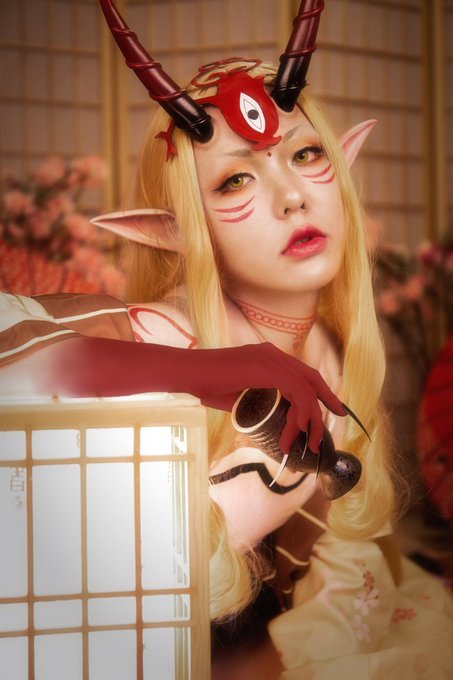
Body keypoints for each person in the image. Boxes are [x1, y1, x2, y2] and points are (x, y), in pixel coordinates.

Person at [1, 1, 452, 676]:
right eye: (236, 179)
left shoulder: (335, 355)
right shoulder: (156, 336)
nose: (292, 196)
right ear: (178, 230)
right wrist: (195, 371)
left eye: (305, 154)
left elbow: (330, 557)